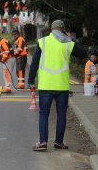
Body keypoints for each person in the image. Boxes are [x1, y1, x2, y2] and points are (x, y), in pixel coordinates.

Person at [28, 20, 86, 151]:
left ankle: (43, 142)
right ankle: (58, 142)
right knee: (61, 115)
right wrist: (70, 37)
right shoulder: (67, 43)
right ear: (63, 29)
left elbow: (35, 63)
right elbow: (83, 53)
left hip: (46, 86)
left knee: (44, 114)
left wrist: (31, 80)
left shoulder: (43, 42)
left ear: (51, 29)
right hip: (62, 86)